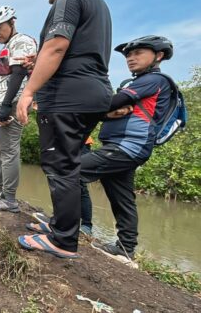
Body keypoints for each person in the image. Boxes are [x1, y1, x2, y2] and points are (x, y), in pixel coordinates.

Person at [15, 0, 113, 258]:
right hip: (92, 91)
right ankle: (61, 224)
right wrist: (39, 60)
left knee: (60, 165)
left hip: (67, 96)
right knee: (66, 161)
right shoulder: (99, 5)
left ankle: (63, 241)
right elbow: (71, 52)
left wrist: (28, 91)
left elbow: (57, 47)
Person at [81, 35, 175, 260]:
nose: (131, 58)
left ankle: (63, 225)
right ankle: (126, 248)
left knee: (69, 170)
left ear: (158, 56)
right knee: (122, 198)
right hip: (124, 146)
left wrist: (96, 109)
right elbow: (111, 110)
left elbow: (111, 103)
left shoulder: (154, 80)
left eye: (138, 53)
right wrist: (108, 112)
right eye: (128, 55)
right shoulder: (139, 82)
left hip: (127, 147)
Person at [0, 6, 37, 213]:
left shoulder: (22, 41)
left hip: (12, 103)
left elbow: (19, 74)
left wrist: (5, 106)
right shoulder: (5, 47)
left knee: (9, 150)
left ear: (12, 23)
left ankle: (9, 199)